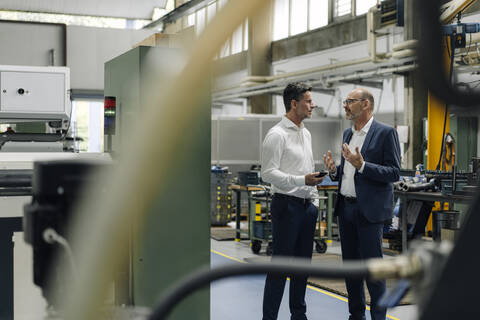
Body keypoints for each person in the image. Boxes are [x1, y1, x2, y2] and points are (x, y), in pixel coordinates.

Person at [323, 88, 401, 320]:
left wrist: (364, 166)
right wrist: (334, 171)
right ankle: (355, 316)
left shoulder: (385, 133)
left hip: (369, 212)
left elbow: (394, 172)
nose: (345, 105)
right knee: (351, 270)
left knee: (374, 271)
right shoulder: (348, 133)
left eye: (350, 101)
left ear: (365, 104)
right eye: (345, 101)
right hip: (345, 209)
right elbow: (347, 173)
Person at [261, 82, 325, 320]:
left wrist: (314, 201)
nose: (313, 105)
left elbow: (307, 170)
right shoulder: (276, 135)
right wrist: (302, 180)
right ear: (294, 103)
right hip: (286, 207)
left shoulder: (305, 133)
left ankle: (299, 315)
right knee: (279, 269)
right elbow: (267, 173)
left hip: (307, 208)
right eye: (308, 101)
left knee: (302, 269)